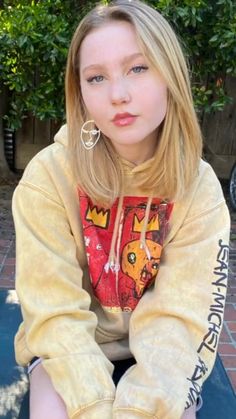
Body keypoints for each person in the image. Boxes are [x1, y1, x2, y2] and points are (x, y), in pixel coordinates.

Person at [12, 1, 230, 418]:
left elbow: (180, 321)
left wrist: (140, 409)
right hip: (69, 353)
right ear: (81, 93)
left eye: (138, 68)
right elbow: (54, 311)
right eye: (97, 77)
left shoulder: (198, 188)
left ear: (170, 74)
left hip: (160, 357)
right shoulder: (49, 176)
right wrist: (95, 406)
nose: (119, 94)